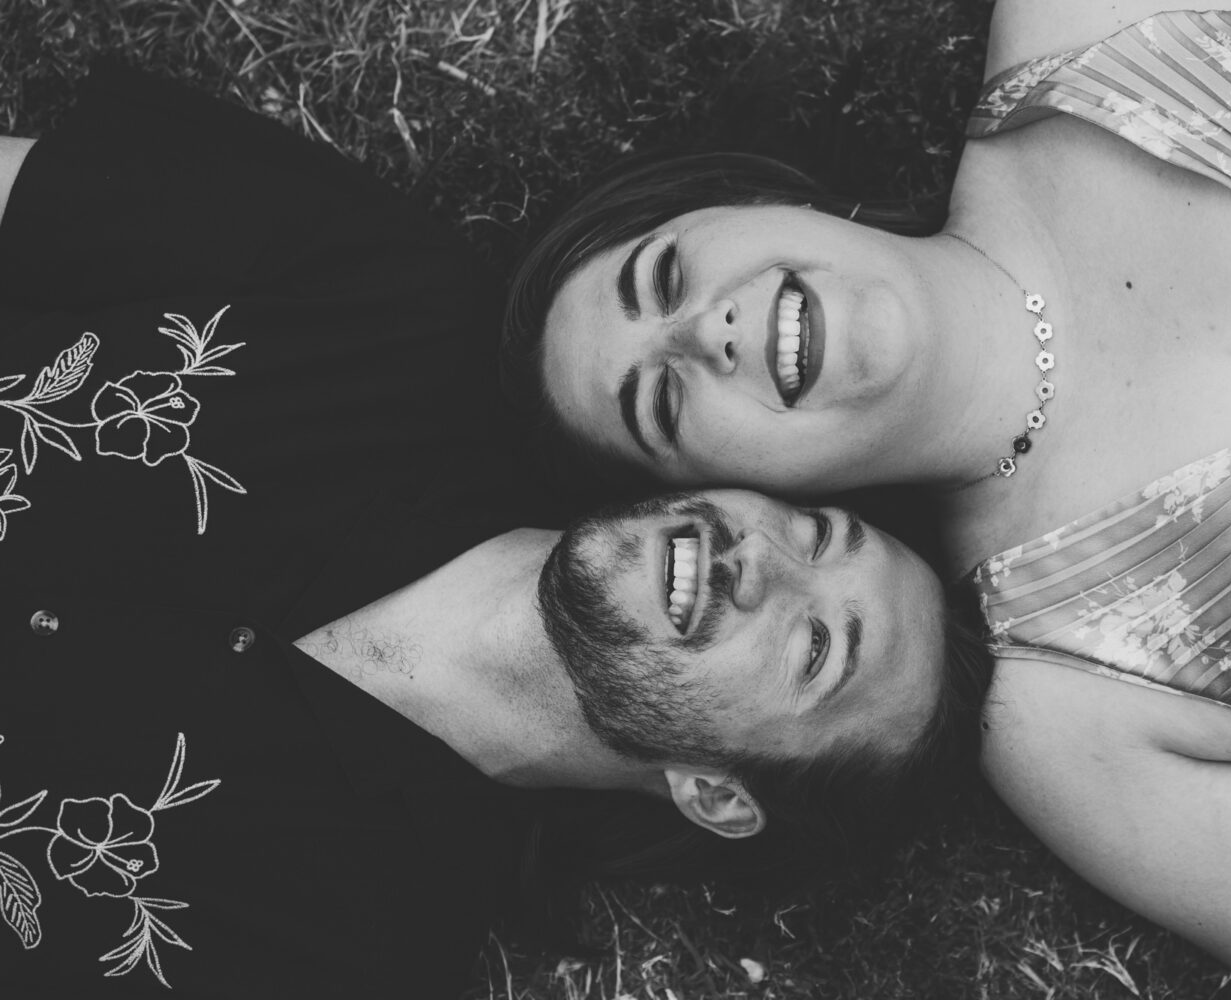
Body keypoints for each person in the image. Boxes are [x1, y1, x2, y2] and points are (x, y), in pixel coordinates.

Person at [504, 1, 1231, 996]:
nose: (702, 334)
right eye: (663, 402)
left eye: (669, 273)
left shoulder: (1077, 18)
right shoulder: (1066, 709)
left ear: (751, 202)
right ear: (732, 489)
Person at [0, 66, 987, 997]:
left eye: (817, 646)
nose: (757, 556)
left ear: (717, 796)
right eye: (817, 533)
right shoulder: (395, 305)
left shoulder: (346, 962)